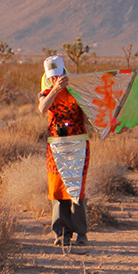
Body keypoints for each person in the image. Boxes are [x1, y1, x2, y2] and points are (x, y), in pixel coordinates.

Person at [36, 54, 88, 249]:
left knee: (77, 188)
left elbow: (92, 112)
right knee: (57, 189)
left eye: (58, 75)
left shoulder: (78, 90)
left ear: (65, 72)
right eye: (52, 76)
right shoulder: (46, 91)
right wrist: (55, 90)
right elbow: (42, 108)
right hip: (56, 145)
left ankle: (81, 234)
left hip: (78, 144)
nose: (55, 79)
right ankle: (61, 234)